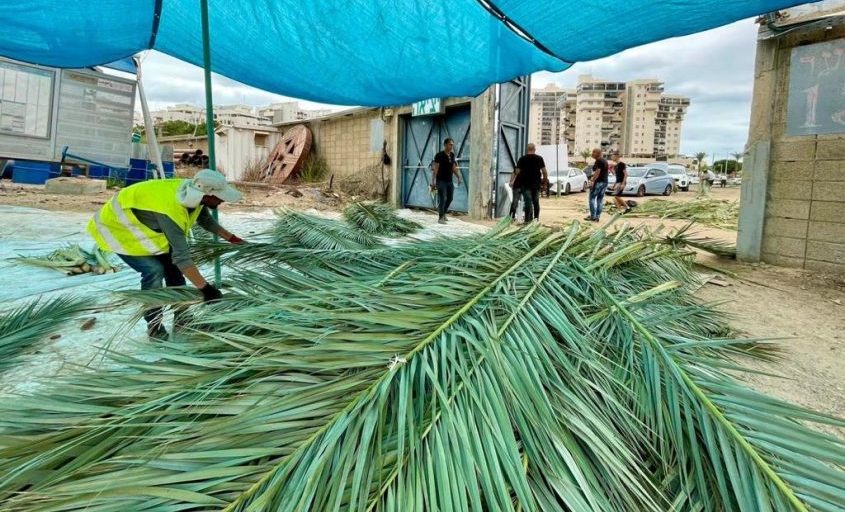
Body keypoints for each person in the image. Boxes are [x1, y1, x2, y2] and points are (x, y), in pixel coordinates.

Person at [87, 169, 245, 340]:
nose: (222, 200)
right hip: (117, 231)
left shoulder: (193, 194)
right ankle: (154, 325)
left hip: (145, 229)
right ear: (206, 195)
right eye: (219, 196)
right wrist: (207, 289)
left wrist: (234, 239)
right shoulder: (171, 210)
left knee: (174, 271)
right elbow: (183, 259)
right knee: (154, 270)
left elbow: (205, 220)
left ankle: (182, 319)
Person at [510, 143, 548, 222]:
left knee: (528, 203)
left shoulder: (522, 159)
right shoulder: (539, 158)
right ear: (534, 149)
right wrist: (544, 184)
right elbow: (544, 172)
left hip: (526, 185)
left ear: (527, 149)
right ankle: (536, 219)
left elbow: (517, 171)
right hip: (536, 185)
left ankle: (527, 221)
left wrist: (512, 180)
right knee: (536, 202)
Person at [431, 138, 462, 224]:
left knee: (450, 198)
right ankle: (440, 218)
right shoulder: (439, 155)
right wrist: (433, 181)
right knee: (443, 198)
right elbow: (435, 169)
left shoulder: (452, 155)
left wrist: (459, 176)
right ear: (445, 145)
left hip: (449, 181)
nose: (452, 146)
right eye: (450, 144)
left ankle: (444, 213)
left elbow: (453, 167)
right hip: (441, 181)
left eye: (452, 145)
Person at [586, 148, 609, 222]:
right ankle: (597, 216)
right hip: (604, 182)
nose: (592, 153)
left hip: (598, 182)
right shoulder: (604, 161)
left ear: (598, 153)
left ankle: (593, 216)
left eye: (594, 152)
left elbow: (597, 172)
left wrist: (592, 181)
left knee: (592, 199)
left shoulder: (599, 161)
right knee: (600, 200)